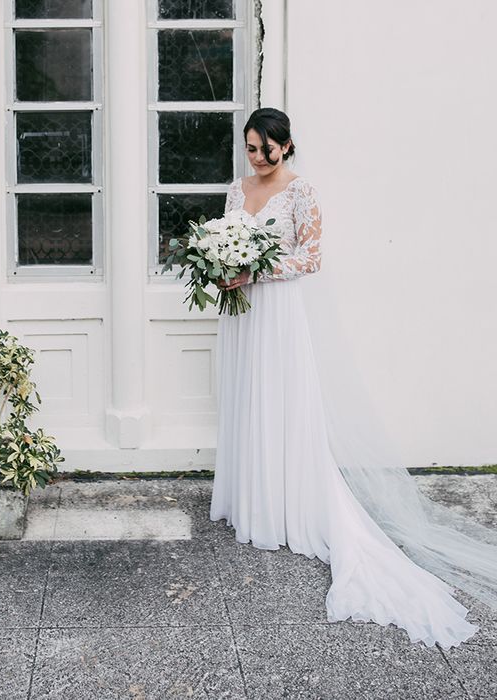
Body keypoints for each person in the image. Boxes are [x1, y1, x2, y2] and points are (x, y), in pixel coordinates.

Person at [210, 107, 497, 648]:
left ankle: (290, 504)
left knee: (285, 404)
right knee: (249, 402)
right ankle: (253, 497)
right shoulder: (235, 189)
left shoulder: (302, 192)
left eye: (266, 148)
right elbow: (228, 240)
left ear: (287, 146)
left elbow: (311, 257)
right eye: (250, 147)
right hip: (243, 318)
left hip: (280, 316)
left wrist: (257, 270)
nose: (257, 157)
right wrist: (224, 270)